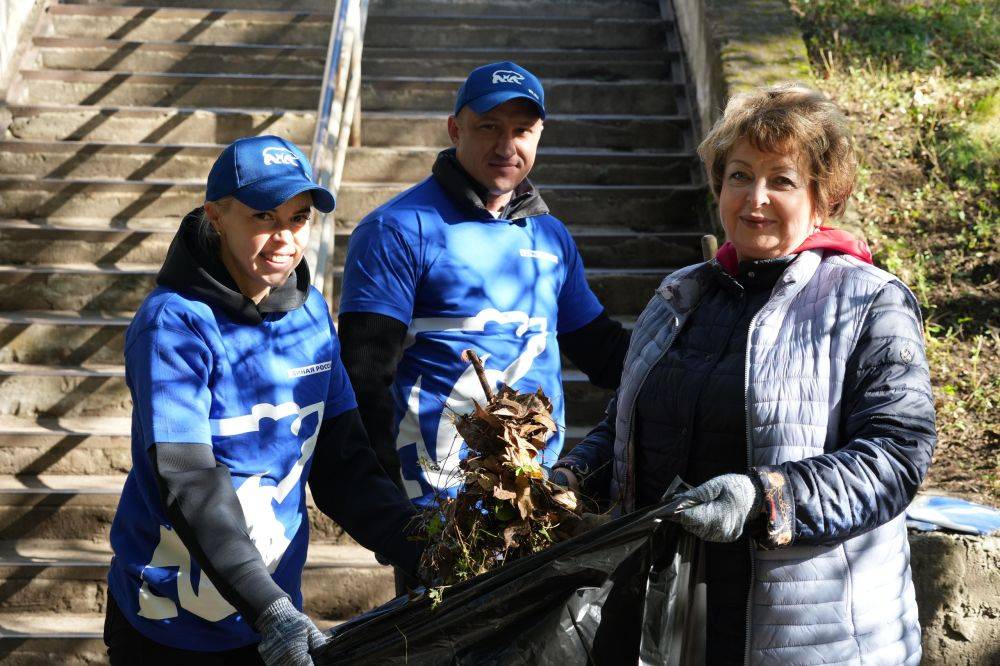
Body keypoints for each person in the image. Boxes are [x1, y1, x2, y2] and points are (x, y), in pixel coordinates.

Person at [552, 84, 936, 665]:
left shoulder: (867, 303)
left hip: (808, 637)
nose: (755, 198)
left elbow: (895, 456)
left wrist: (767, 498)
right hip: (675, 623)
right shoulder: (682, 294)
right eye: (739, 175)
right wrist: (575, 474)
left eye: (781, 180)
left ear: (822, 197)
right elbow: (628, 423)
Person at [104, 135, 422, 665]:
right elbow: (187, 479)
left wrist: (423, 546)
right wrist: (268, 606)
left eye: (298, 218)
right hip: (167, 626)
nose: (285, 238)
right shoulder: (173, 325)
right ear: (216, 216)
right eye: (263, 218)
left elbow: (345, 464)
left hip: (271, 621)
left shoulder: (312, 313)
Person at [338, 61, 629, 507]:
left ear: (539, 135)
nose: (506, 145)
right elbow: (364, 374)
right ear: (455, 129)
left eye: (522, 130)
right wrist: (384, 498)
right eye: (489, 126)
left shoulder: (550, 236)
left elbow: (601, 350)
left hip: (536, 493)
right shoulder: (395, 229)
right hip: (436, 498)